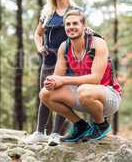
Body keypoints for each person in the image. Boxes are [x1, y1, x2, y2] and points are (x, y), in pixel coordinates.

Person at [39, 9, 122, 143]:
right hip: (84, 94)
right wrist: (51, 82)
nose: (71, 27)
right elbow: (57, 78)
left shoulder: (97, 43)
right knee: (45, 94)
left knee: (84, 90)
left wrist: (63, 80)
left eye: (75, 24)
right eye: (68, 24)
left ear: (83, 26)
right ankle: (80, 126)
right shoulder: (64, 47)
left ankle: (101, 125)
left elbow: (95, 79)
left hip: (109, 96)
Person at [24, 0, 79, 146]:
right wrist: (39, 47)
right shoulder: (47, 12)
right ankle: (40, 132)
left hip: (68, 61)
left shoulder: (76, 10)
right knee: (45, 95)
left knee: (62, 97)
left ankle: (55, 134)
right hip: (49, 60)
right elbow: (37, 34)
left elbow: (81, 33)